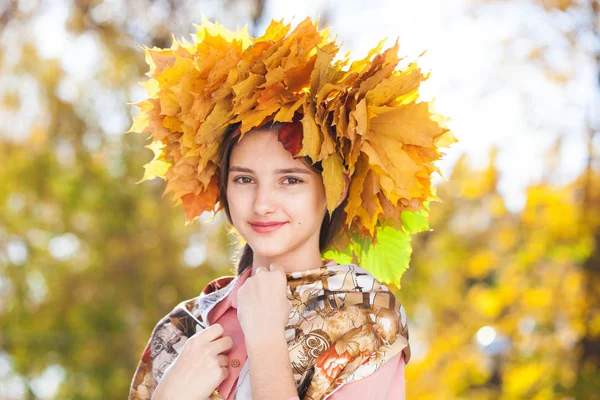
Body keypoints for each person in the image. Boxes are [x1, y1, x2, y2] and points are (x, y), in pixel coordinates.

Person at [126, 16, 455, 400]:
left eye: (290, 180)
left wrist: (266, 342)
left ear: (333, 188)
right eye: (244, 180)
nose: (263, 204)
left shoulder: (365, 316)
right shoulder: (181, 328)